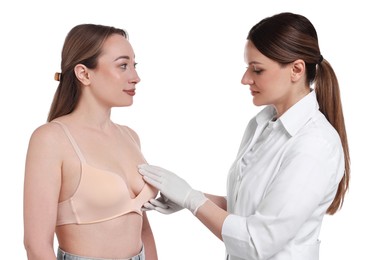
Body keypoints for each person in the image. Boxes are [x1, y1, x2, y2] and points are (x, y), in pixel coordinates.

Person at [139, 12, 350, 260]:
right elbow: (250, 209)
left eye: (257, 69)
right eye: (247, 67)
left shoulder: (315, 145)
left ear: (296, 69)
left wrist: (192, 199)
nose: (245, 79)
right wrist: (188, 199)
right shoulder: (261, 124)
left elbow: (257, 242)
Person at [23, 24, 158, 260]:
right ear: (84, 73)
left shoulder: (130, 136)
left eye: (134, 66)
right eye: (122, 66)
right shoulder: (51, 139)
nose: (135, 77)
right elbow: (36, 245)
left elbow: (142, 227)